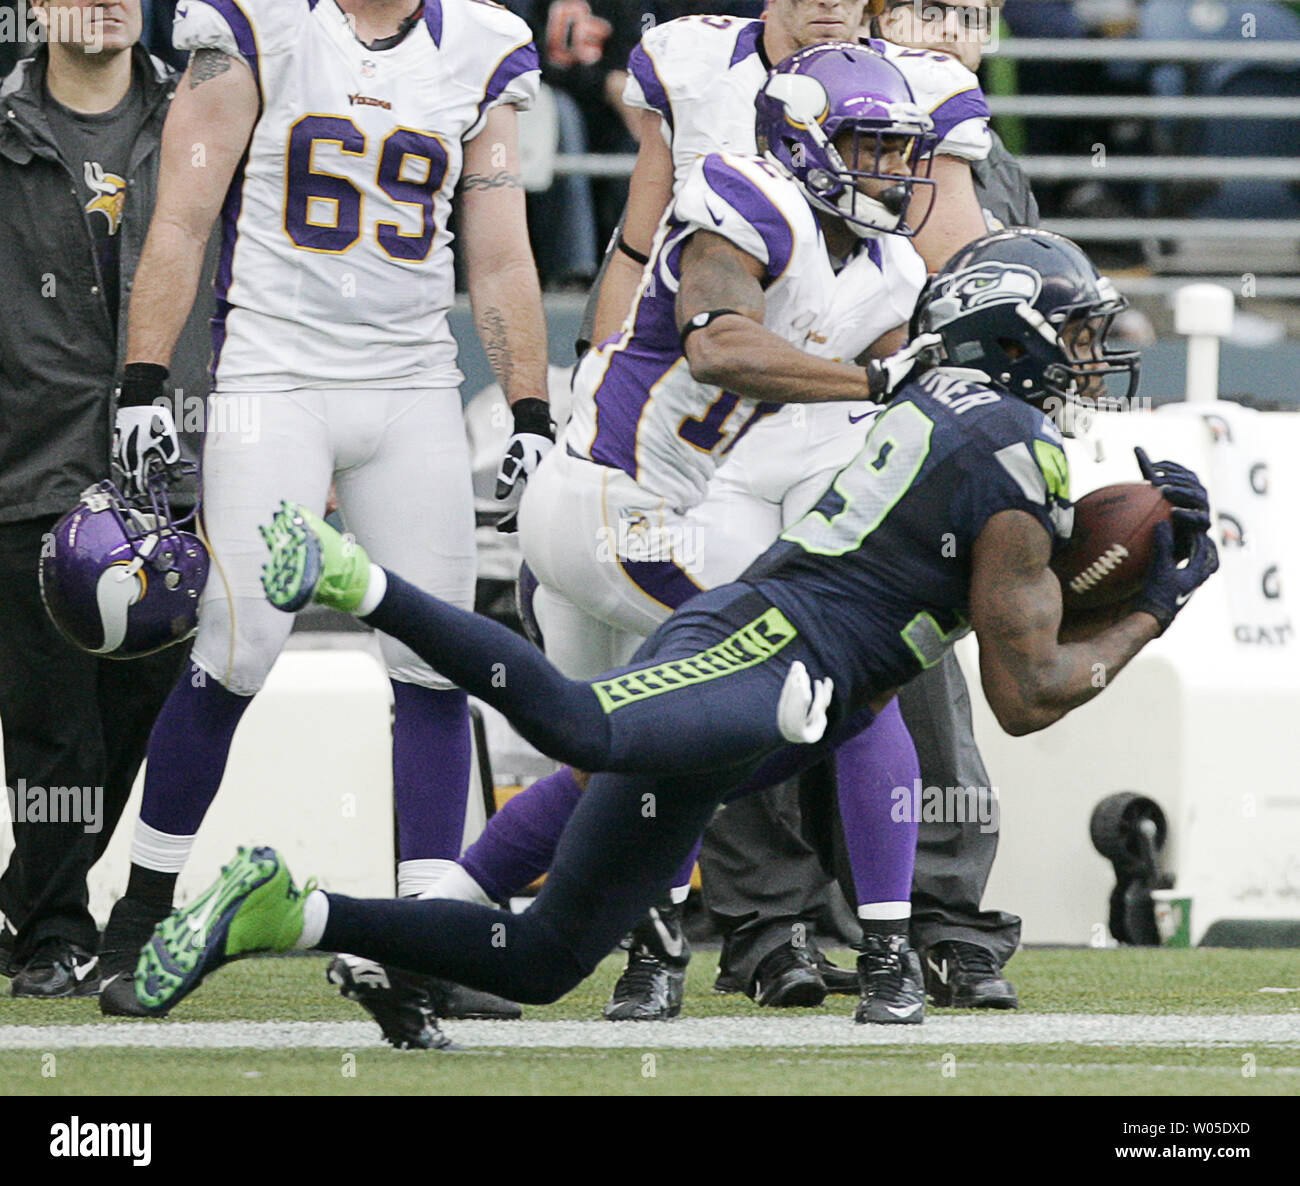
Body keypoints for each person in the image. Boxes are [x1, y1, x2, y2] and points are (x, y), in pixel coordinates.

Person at [132, 231, 1219, 1020]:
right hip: (775, 648)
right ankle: (356, 578)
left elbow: (996, 597)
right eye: (1072, 330)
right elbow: (1025, 695)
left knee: (544, 955)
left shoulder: (963, 421)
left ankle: (292, 913)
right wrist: (1153, 608)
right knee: (577, 726)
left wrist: (1111, 569)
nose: (1090, 354)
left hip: (790, 690)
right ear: (1013, 332)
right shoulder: (1015, 449)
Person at [94, 0, 552, 1039]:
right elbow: (182, 213)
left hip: (411, 383)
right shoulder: (262, 23)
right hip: (273, 373)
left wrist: (529, 403)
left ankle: (422, 947)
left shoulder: (478, 44)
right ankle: (143, 913)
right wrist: (143, 380)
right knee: (240, 643)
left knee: (435, 657)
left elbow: (498, 252)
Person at [0, 0, 208, 997]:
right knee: (52, 730)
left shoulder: (207, 111)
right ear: (35, 9)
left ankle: (26, 894)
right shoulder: (4, 123)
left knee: (143, 709)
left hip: (168, 469)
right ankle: (49, 931)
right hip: (27, 457)